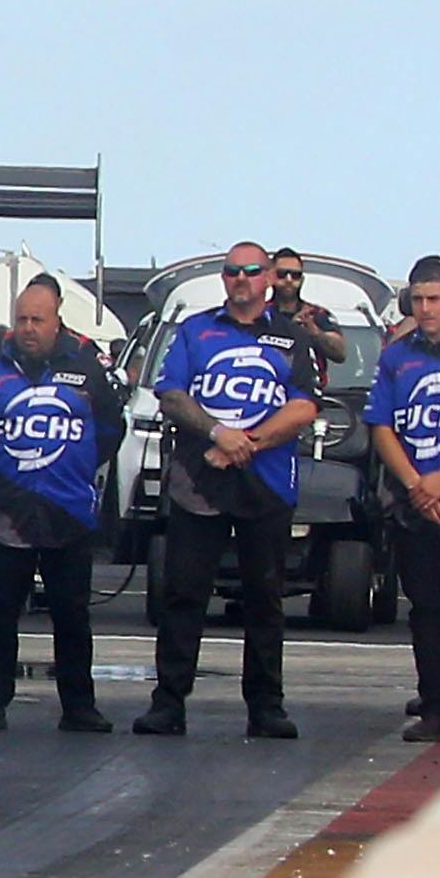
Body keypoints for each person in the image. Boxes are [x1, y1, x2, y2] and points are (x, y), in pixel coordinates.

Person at [145, 242, 314, 738]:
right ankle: (168, 703)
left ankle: (266, 707)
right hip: (199, 481)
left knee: (264, 599)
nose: (241, 278)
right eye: (231, 271)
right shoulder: (195, 329)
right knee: (184, 594)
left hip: (266, 483)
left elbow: (304, 407)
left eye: (251, 271)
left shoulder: (291, 337)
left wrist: (247, 444)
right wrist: (219, 434)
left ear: (269, 278)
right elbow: (170, 394)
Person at [0, 275, 121, 733]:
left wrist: (76, 465)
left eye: (37, 320)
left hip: (68, 509)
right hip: (8, 513)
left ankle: (79, 707)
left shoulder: (87, 368)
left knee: (72, 616)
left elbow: (111, 428)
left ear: (56, 319)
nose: (28, 328)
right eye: (22, 319)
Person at [364, 261, 440, 746]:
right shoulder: (396, 357)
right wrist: (416, 484)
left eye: (434, 299)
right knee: (426, 611)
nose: (426, 308)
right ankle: (436, 709)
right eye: (418, 300)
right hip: (414, 503)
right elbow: (381, 426)